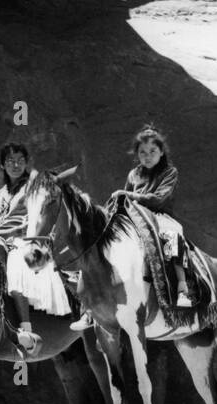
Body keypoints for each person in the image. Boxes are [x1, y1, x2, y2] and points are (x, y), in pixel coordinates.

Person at [70, 124, 192, 331]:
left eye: (153, 151)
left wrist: (131, 196)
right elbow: (123, 199)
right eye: (142, 152)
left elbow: (160, 198)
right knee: (102, 241)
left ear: (161, 152)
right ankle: (89, 307)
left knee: (172, 235)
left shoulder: (170, 172)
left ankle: (182, 288)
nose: (147, 156)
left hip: (159, 216)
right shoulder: (134, 174)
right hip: (134, 219)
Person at [0, 142, 40, 353]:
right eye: (10, 161)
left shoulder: (31, 187)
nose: (15, 165)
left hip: (23, 241)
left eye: (20, 161)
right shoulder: (0, 193)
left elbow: (26, 219)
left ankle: (26, 330)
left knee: (15, 274)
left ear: (26, 163)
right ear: (2, 166)